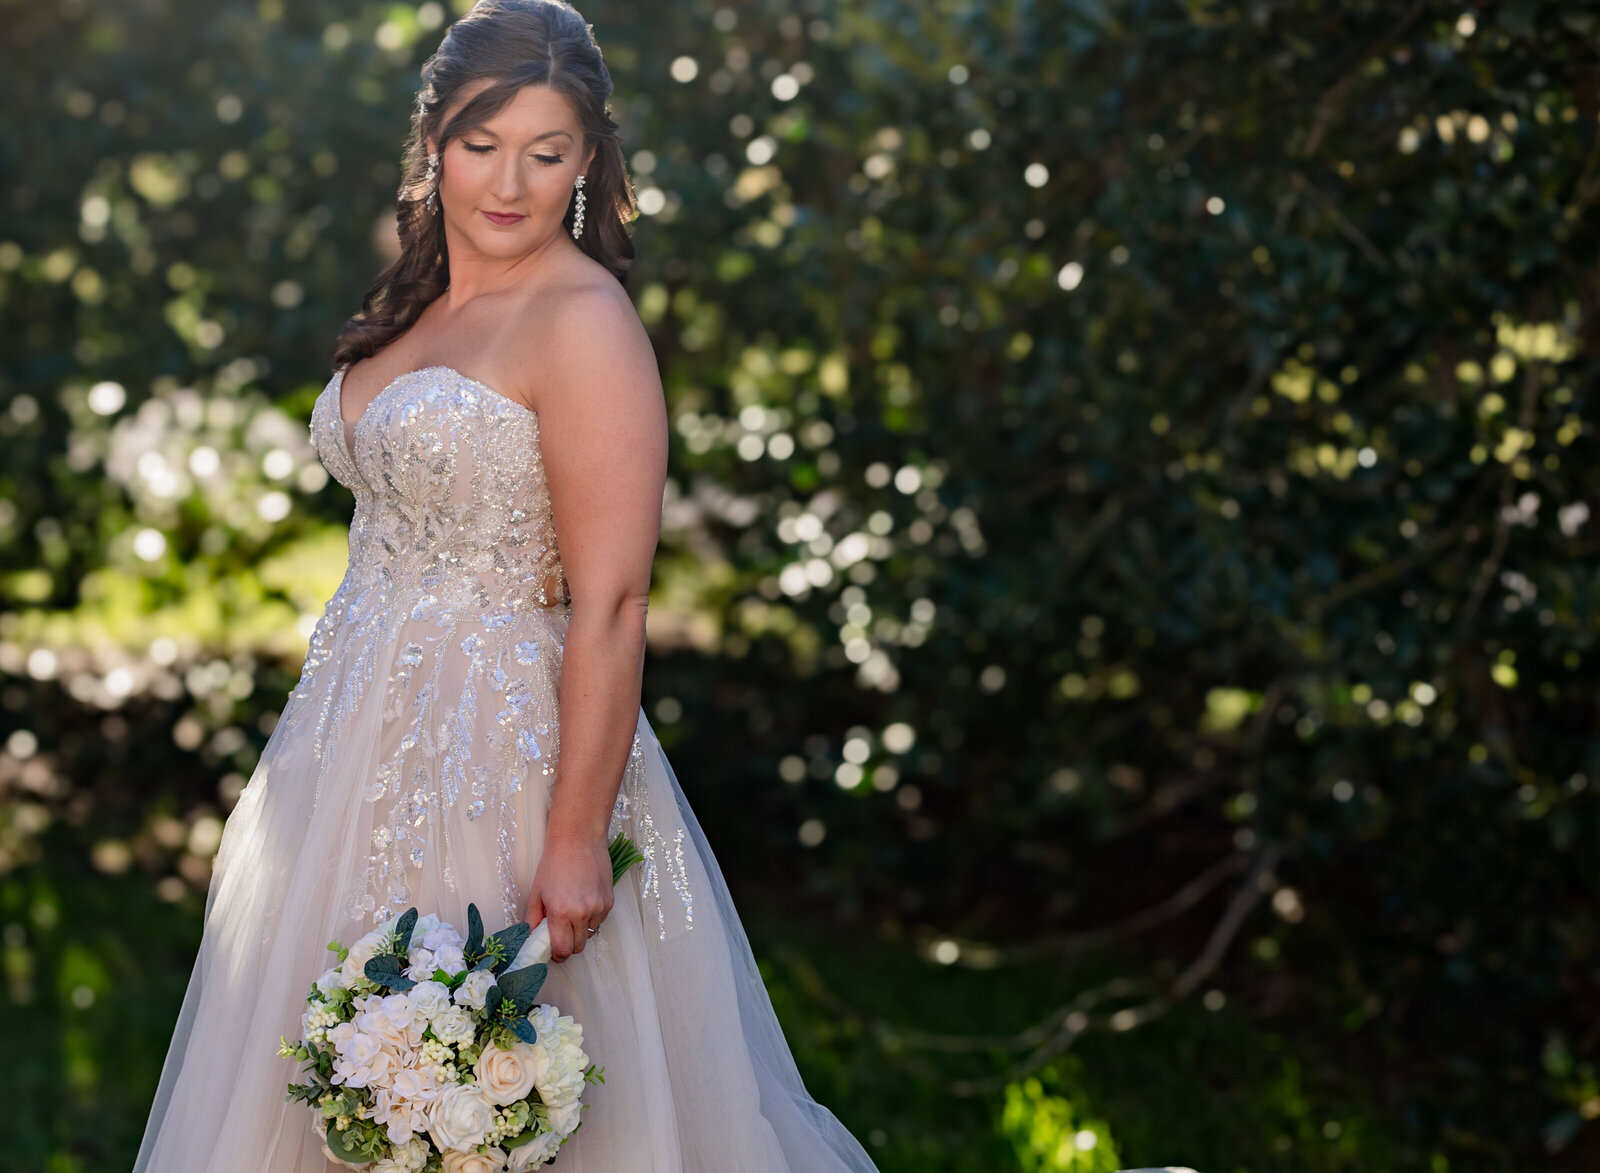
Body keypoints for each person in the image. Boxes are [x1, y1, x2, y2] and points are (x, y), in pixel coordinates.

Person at [131, 2, 882, 1169]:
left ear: (588, 162)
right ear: (433, 138)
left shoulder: (585, 323)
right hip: (348, 735)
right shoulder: (421, 293)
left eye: (548, 153)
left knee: (486, 1084)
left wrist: (576, 836)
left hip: (503, 754)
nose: (511, 184)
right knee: (325, 1078)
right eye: (483, 145)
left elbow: (615, 602)